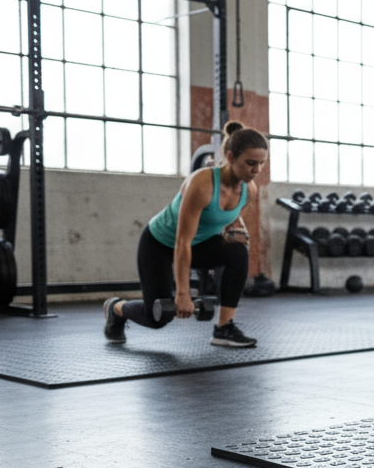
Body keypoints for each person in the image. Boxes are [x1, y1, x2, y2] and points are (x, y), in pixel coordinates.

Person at [104, 121, 267, 347]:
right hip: (160, 244)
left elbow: (226, 217)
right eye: (251, 163)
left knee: (238, 252)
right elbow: (182, 242)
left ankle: (224, 328)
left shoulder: (249, 191)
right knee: (158, 317)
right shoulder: (202, 184)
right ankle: (116, 308)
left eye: (261, 163)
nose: (257, 170)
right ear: (230, 157)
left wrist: (234, 229)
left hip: (199, 244)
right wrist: (182, 293)